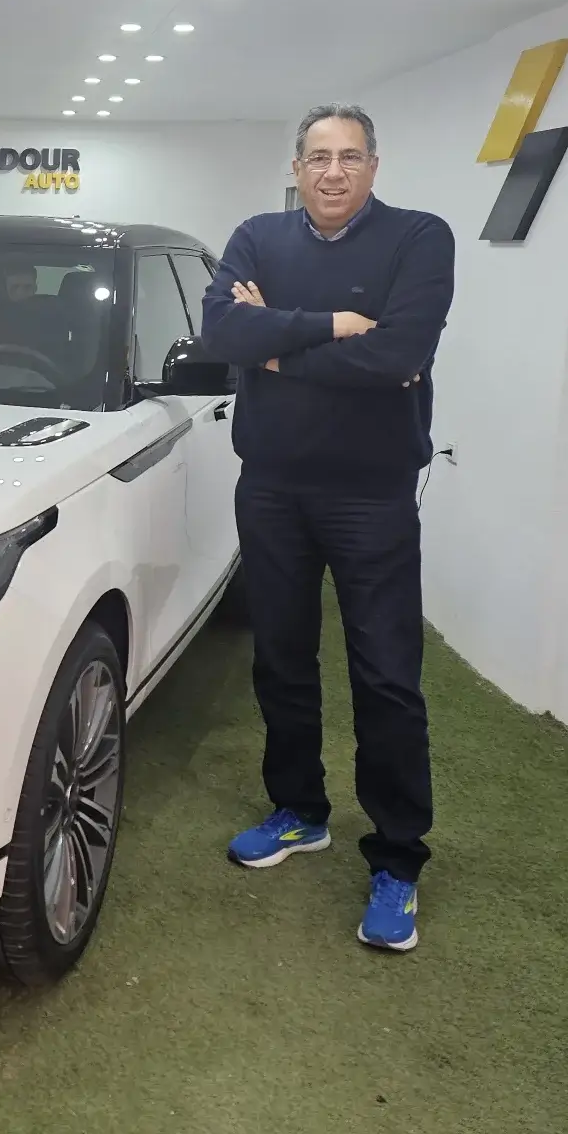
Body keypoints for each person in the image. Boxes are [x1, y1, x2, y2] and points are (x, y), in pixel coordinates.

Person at [198, 103, 455, 952]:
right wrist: (332, 325)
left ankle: (397, 858)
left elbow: (399, 356)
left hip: (372, 495)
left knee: (386, 676)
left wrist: (274, 348)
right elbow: (221, 331)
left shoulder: (419, 238)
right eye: (318, 157)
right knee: (280, 658)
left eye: (349, 156)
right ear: (297, 168)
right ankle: (299, 810)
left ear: (374, 165)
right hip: (272, 487)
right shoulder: (257, 237)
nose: (333, 171)